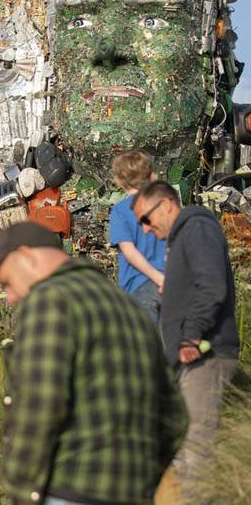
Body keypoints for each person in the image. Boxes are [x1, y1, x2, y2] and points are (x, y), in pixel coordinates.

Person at [0, 221, 187, 504]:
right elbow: (175, 415)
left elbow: (39, 408)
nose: (10, 298)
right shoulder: (127, 305)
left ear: (26, 256)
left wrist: (21, 491)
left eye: (8, 283)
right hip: (136, 490)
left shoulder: (50, 300)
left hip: (71, 489)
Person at [133, 180, 240, 491]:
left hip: (205, 354)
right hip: (190, 358)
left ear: (166, 204)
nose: (145, 229)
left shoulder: (196, 229)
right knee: (184, 452)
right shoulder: (180, 239)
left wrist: (190, 335)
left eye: (146, 219)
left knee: (195, 455)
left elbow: (211, 286)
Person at [109, 150, 166, 322]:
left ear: (120, 181)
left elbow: (129, 252)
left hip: (137, 285)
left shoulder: (120, 211)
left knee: (146, 344)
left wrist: (156, 277)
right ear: (150, 175)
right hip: (170, 282)